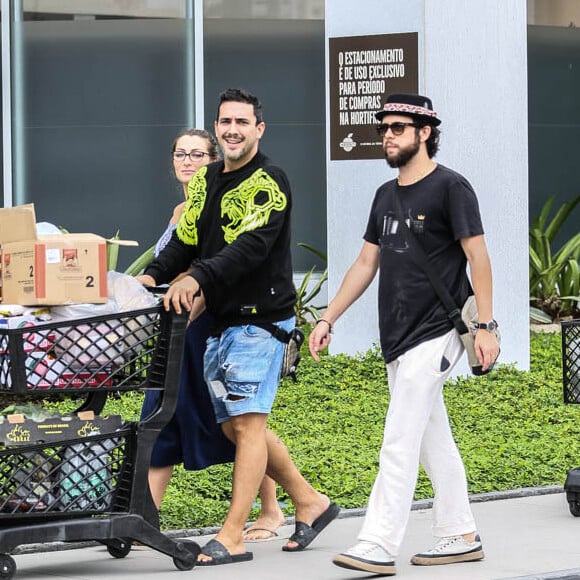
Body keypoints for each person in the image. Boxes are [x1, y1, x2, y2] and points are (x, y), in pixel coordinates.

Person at [137, 88, 339, 566]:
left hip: (260, 320)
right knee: (232, 426)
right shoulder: (206, 180)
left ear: (258, 129)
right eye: (225, 121)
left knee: (247, 424)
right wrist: (152, 275)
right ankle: (311, 502)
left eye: (241, 122)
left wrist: (194, 279)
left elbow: (246, 249)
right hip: (220, 322)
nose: (232, 129)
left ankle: (232, 535)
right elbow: (186, 242)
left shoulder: (269, 182)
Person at [309, 93, 500, 576]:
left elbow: (478, 258)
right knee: (433, 438)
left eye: (397, 127)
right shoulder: (384, 195)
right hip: (397, 334)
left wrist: (486, 326)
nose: (387, 136)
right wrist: (328, 317)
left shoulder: (451, 188)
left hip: (437, 330)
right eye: (384, 128)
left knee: (399, 438)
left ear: (425, 132)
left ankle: (377, 542)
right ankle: (459, 532)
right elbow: (366, 263)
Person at [140, 128, 285, 541]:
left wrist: (189, 310)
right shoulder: (178, 212)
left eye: (198, 154)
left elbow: (216, 270)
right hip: (176, 326)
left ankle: (272, 509)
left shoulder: (224, 208)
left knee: (237, 419)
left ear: (215, 161)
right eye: (181, 153)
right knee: (161, 415)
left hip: (206, 323)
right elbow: (169, 266)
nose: (188, 161)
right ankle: (146, 518)